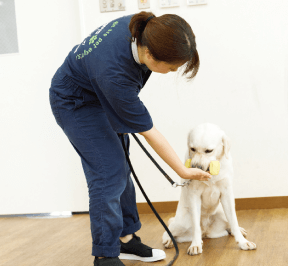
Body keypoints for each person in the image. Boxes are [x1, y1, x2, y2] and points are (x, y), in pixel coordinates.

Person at [49, 11, 211, 266]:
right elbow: (149, 132)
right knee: (108, 172)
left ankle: (125, 240)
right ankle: (105, 255)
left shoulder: (146, 27)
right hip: (74, 102)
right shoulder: (114, 75)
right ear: (150, 55)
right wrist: (182, 170)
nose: (172, 72)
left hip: (99, 92)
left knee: (120, 166)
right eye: (171, 67)